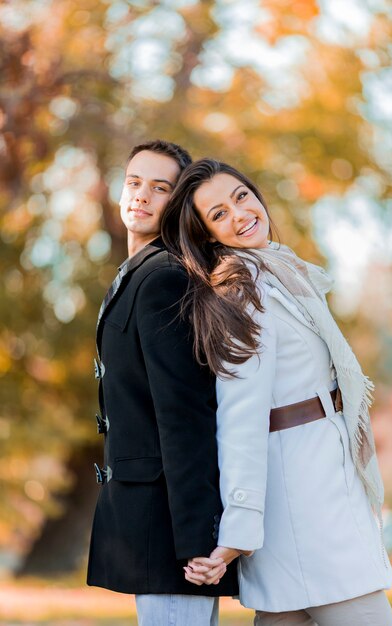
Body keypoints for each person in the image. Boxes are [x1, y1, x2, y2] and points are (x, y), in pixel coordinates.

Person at [161, 158, 392, 626]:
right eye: (219, 214)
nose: (239, 213)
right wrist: (235, 535)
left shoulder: (281, 274)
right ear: (208, 234)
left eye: (240, 197)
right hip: (305, 503)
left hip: (321, 479)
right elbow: (241, 418)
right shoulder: (242, 292)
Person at [86, 142, 238, 626]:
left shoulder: (166, 278)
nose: (141, 196)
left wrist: (196, 541)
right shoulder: (138, 273)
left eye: (160, 188)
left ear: (178, 203)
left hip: (171, 536)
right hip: (151, 524)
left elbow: (186, 414)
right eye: (134, 182)